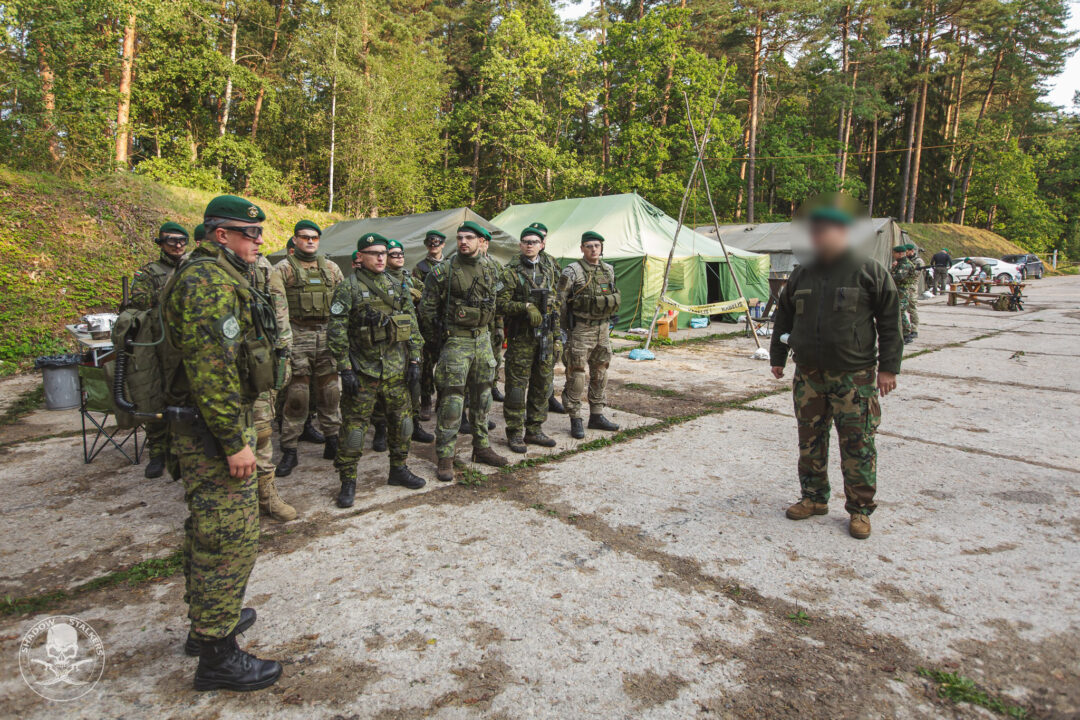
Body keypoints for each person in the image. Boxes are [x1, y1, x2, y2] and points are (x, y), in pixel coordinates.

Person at [163, 194, 282, 691]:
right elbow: (211, 372)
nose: (258, 241)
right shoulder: (208, 281)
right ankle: (217, 656)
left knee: (211, 532)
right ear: (221, 235)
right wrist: (235, 443)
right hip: (212, 432)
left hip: (209, 425)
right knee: (227, 539)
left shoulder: (218, 274)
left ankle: (208, 625)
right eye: (250, 234)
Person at [769, 203, 902, 540]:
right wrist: (777, 356)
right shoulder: (802, 274)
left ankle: (860, 510)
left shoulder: (870, 271)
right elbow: (783, 317)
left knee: (858, 444)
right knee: (810, 440)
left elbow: (890, 322)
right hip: (809, 376)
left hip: (854, 377)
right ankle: (813, 498)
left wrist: (888, 368)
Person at [328, 233, 426, 508]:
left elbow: (411, 325)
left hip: (395, 370)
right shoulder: (348, 288)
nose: (381, 258)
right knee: (354, 430)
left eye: (384, 253)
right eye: (374, 253)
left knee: (403, 424)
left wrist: (415, 360)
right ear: (360, 257)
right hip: (363, 372)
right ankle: (348, 480)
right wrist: (345, 368)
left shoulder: (397, 286)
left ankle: (399, 469)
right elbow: (336, 331)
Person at [419, 221, 509, 482]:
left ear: (481, 241)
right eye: (459, 237)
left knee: (483, 397)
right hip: (456, 341)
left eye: (469, 237)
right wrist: (439, 343)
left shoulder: (493, 268)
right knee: (452, 401)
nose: (463, 242)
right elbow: (426, 311)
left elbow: (497, 302)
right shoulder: (443, 272)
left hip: (483, 339)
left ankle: (481, 447)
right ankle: (445, 456)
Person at [273, 220, 345, 477]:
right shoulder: (282, 269)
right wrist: (284, 341)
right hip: (297, 334)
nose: (310, 241)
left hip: (326, 336)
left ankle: (333, 440)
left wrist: (341, 336)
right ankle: (290, 448)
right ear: (295, 240)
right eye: (305, 237)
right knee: (297, 395)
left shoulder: (331, 268)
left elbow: (342, 303)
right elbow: (278, 308)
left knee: (330, 392)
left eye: (314, 237)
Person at [129, 221, 188, 480]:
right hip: (157, 342)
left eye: (182, 241)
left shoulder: (191, 268)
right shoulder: (150, 272)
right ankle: (157, 453)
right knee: (155, 396)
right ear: (161, 243)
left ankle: (181, 450)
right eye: (172, 241)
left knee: (183, 395)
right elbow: (138, 300)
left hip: (184, 342)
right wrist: (170, 292)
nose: (178, 245)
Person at [498, 226, 561, 453]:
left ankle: (534, 429)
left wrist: (557, 337)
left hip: (545, 337)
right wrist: (524, 306)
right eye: (525, 241)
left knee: (542, 385)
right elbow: (499, 304)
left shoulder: (549, 270)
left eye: (534, 242)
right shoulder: (510, 272)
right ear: (520, 245)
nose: (529, 245)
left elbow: (556, 305)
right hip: (521, 338)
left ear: (542, 245)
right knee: (516, 388)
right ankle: (515, 432)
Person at [370, 238, 434, 446]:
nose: (398, 257)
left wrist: (418, 295)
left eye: (400, 254)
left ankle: (414, 424)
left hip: (410, 338)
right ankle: (381, 428)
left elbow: (428, 295)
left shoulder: (409, 278)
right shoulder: (379, 280)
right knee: (383, 386)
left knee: (413, 383)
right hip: (387, 342)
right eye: (393, 254)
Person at [557, 231, 620, 439]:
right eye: (589, 246)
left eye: (597, 245)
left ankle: (597, 414)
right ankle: (575, 417)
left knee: (601, 372)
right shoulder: (572, 271)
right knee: (576, 374)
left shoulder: (608, 270)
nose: (593, 249)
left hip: (603, 329)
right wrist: (564, 330)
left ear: (601, 248)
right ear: (582, 248)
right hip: (581, 330)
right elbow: (559, 301)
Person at [252, 252, 296, 522]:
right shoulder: (195, 269)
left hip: (257, 361)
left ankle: (265, 494)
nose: (258, 241)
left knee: (261, 430)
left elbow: (280, 310)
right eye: (250, 234)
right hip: (212, 372)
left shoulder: (263, 267)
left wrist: (283, 354)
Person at [524, 221, 567, 415]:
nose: (536, 241)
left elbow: (559, 289)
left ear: (544, 241)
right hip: (526, 324)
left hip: (549, 320)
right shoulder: (519, 262)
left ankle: (548, 397)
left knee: (546, 364)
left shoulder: (551, 262)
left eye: (541, 236)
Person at [413, 230, 447, 420]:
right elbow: (417, 294)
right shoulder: (420, 268)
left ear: (443, 245)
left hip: (446, 322)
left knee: (445, 365)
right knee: (426, 366)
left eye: (437, 243)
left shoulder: (451, 265)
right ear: (427, 245)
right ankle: (426, 400)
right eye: (430, 243)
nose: (434, 246)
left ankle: (442, 400)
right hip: (427, 323)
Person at [890, 245, 917, 344]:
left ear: (900, 253)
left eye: (895, 253)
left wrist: (888, 276)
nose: (893, 255)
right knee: (897, 312)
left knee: (901, 312)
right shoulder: (900, 263)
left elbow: (898, 277)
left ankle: (907, 334)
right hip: (898, 290)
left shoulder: (905, 264)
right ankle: (901, 333)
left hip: (903, 291)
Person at [904, 244, 921, 338]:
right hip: (903, 287)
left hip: (911, 287)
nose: (905, 253)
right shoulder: (904, 260)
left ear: (911, 251)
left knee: (912, 308)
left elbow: (915, 274)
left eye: (907, 251)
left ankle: (914, 329)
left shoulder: (918, 261)